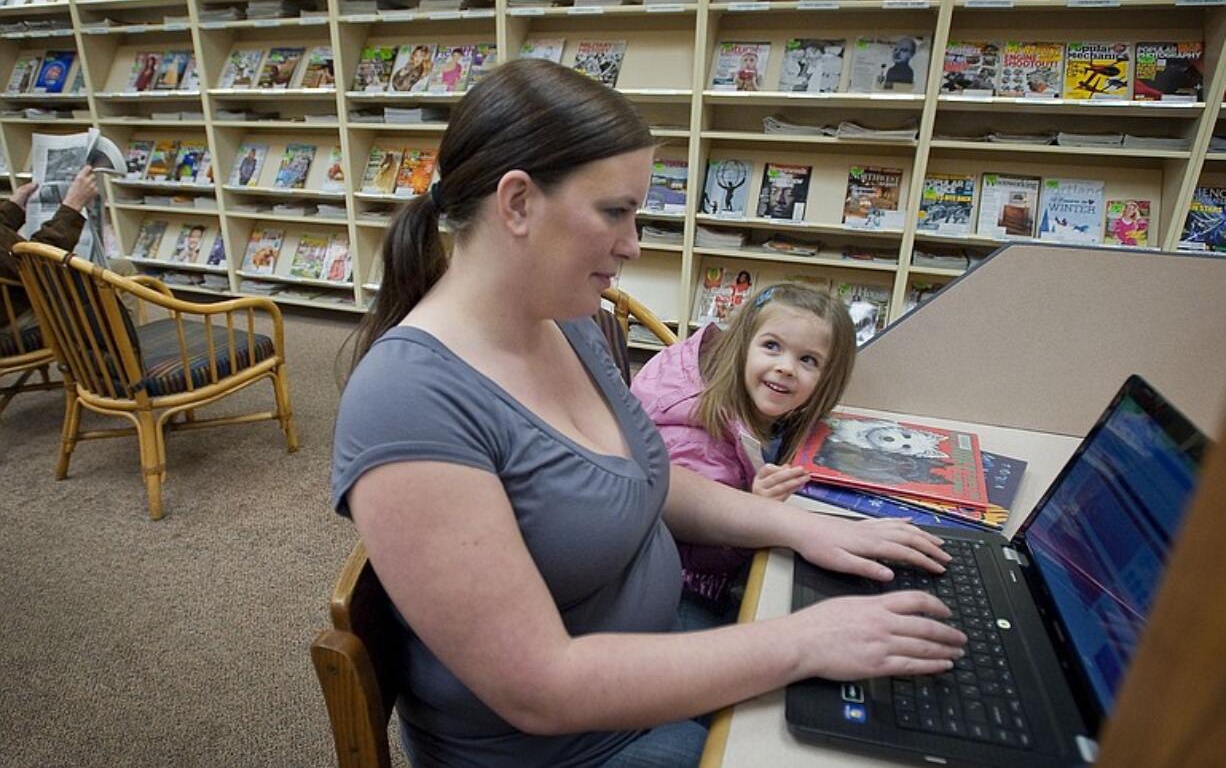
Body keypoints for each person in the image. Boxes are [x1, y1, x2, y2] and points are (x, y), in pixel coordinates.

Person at [331, 59, 964, 768]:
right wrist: (803, 641)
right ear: (516, 204)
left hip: (658, 657)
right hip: (571, 744)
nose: (633, 243)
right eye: (614, 211)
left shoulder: (561, 317)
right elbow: (540, 687)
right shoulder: (407, 401)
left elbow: (641, 477)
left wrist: (802, 528)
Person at [631, 283, 856, 628]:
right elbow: (687, 543)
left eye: (807, 360)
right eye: (771, 346)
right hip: (681, 585)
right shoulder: (695, 436)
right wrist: (755, 506)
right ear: (742, 347)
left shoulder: (757, 401)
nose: (786, 367)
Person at [0, 166, 99, 329]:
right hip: (19, 312)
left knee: (119, 268)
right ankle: (118, 350)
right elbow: (38, 264)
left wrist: (12, 208)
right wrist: (73, 205)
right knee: (105, 285)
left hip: (20, 293)